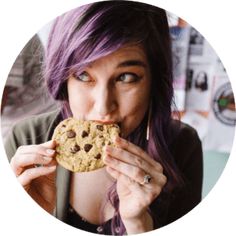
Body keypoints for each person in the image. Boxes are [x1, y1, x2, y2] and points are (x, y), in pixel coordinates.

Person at [4, 1, 203, 235]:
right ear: (64, 78)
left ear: (154, 80)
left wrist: (139, 225)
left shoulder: (182, 146)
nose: (103, 107)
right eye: (83, 75)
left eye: (126, 77)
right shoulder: (25, 141)